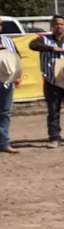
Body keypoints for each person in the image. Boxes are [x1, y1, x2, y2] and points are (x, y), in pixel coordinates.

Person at [28, 14, 64, 148]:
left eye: (61, 24)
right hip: (52, 80)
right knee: (53, 110)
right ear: (51, 26)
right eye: (55, 24)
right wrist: (51, 48)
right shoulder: (44, 40)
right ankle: (55, 138)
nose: (58, 26)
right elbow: (32, 45)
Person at [0, 22, 21, 154]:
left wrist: (18, 73)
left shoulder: (9, 41)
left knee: (5, 112)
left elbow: (16, 57)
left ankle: (4, 142)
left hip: (7, 80)